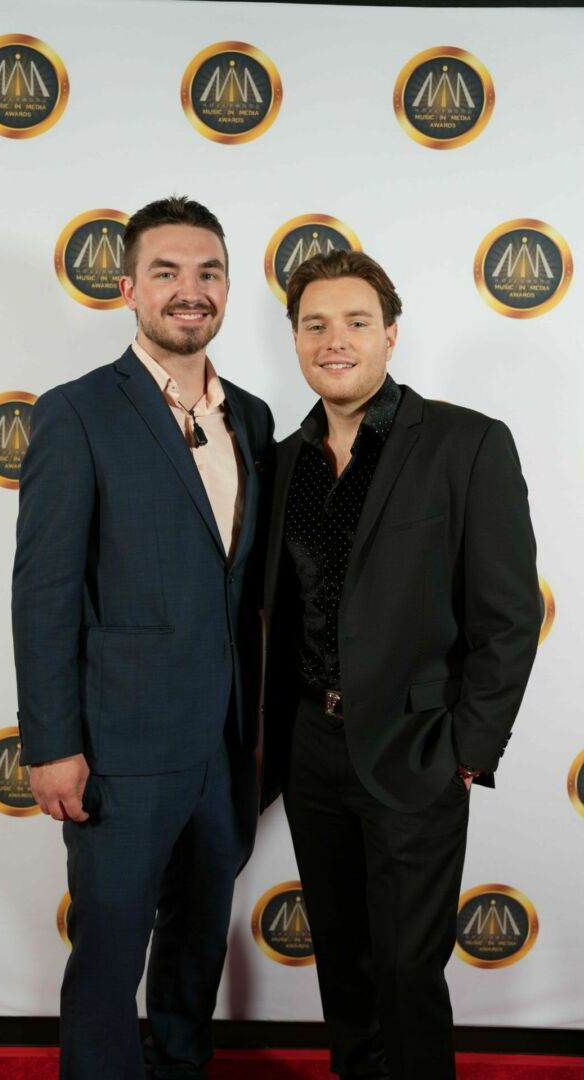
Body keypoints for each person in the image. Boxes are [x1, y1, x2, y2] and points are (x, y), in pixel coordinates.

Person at [261, 249, 541, 1080]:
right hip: (312, 747)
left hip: (416, 747)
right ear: (295, 339)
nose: (334, 340)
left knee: (408, 970)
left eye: (355, 322)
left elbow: (508, 616)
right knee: (342, 963)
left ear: (390, 334)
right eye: (315, 324)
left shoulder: (465, 443)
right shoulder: (285, 459)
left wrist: (467, 750)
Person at [12, 196, 274, 1080]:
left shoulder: (255, 419)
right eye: (166, 272)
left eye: (208, 272)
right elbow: (44, 592)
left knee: (197, 947)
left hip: (227, 747)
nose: (189, 290)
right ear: (127, 288)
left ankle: (181, 1067)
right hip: (120, 751)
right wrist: (52, 746)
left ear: (228, 288)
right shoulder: (76, 412)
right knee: (110, 950)